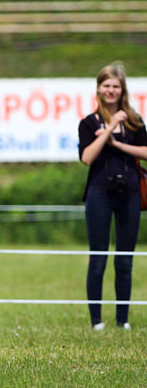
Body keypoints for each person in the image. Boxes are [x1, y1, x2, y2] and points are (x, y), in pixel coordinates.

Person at [78, 62, 147, 331]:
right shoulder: (89, 123)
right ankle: (96, 320)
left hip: (129, 192)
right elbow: (87, 157)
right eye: (106, 85)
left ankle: (123, 319)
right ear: (99, 88)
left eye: (115, 86)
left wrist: (118, 143)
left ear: (122, 90)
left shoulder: (135, 121)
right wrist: (108, 129)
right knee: (98, 257)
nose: (111, 90)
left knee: (125, 259)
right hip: (99, 194)